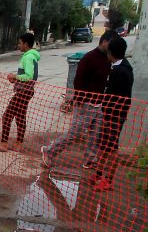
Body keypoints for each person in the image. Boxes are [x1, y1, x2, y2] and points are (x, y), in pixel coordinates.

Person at [40, 31, 114, 169]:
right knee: (74, 134)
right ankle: (49, 151)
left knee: (95, 135)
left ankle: (90, 159)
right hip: (85, 103)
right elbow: (78, 80)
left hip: (99, 103)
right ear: (104, 41)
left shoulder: (107, 59)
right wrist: (79, 100)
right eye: (111, 43)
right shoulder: (89, 58)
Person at [92, 35, 134, 191]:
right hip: (111, 114)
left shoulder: (120, 71)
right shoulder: (121, 67)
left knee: (111, 149)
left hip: (114, 116)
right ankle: (98, 174)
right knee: (104, 146)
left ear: (110, 53)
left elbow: (118, 97)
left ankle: (108, 179)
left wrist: (109, 114)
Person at [0, 32, 40, 151]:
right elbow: (26, 76)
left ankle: (4, 143)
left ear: (25, 44)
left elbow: (29, 76)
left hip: (23, 92)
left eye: (20, 43)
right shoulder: (30, 56)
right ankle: (18, 143)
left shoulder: (28, 57)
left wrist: (15, 77)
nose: (18, 45)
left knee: (7, 116)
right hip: (26, 90)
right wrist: (16, 80)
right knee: (20, 116)